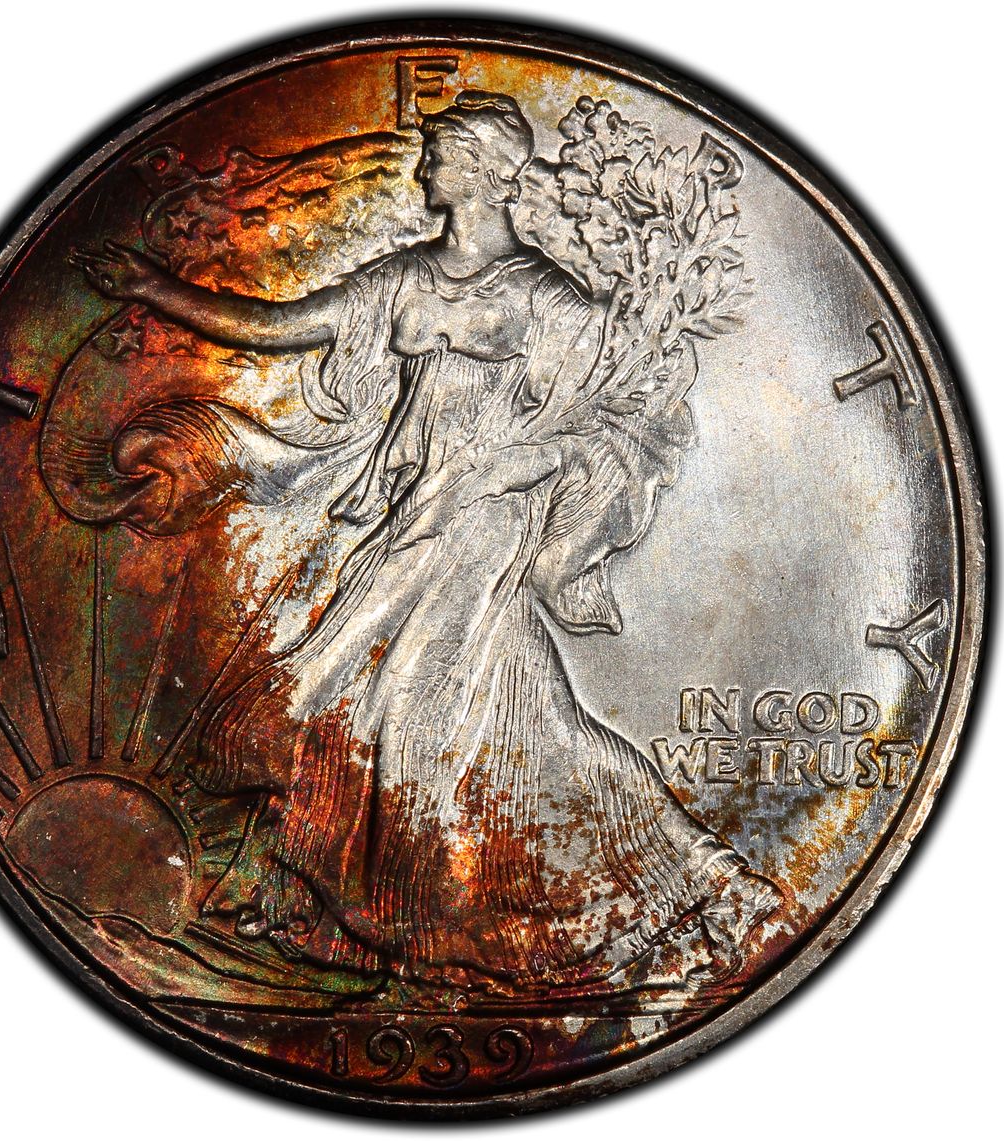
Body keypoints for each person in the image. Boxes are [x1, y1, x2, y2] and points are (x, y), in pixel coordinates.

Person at [74, 91, 780, 997]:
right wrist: (153, 289)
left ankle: (624, 895)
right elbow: (282, 325)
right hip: (414, 511)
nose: (425, 168)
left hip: (486, 523)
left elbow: (618, 421)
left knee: (407, 710)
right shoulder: (406, 277)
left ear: (486, 174)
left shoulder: (546, 297)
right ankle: (368, 917)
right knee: (396, 705)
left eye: (441, 155)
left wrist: (518, 464)